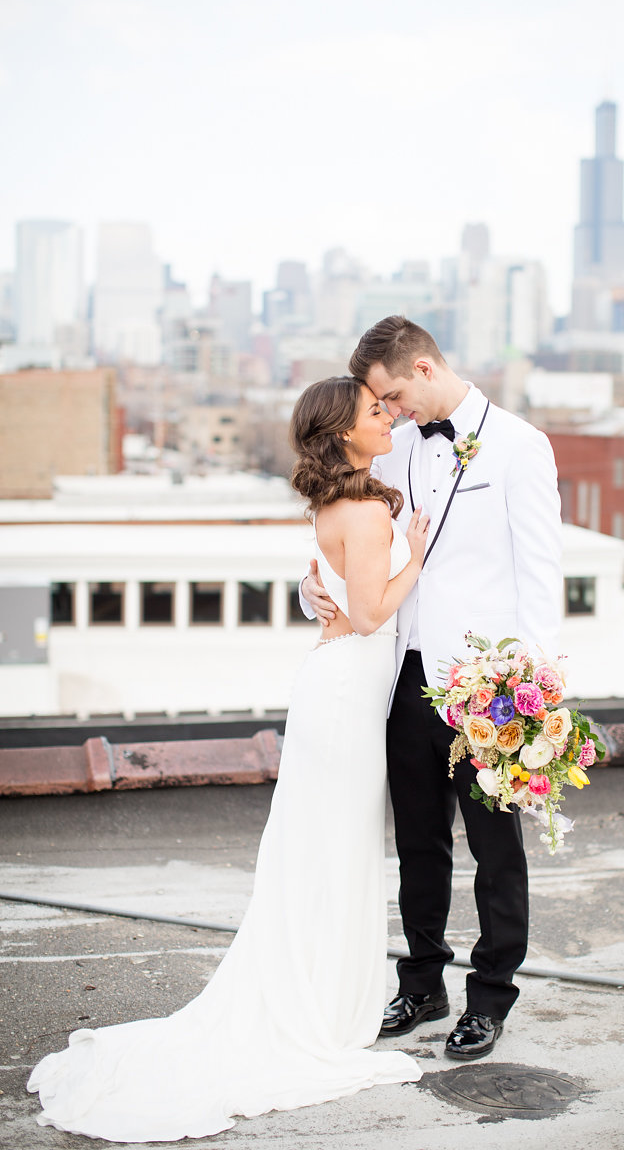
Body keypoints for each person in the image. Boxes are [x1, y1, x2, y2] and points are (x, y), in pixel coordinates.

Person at [27, 376, 430, 1144]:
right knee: (334, 852)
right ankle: (325, 1009)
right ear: (341, 433)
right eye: (374, 412)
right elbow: (377, 610)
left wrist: (350, 585)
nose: (387, 418)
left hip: (334, 685)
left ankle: (321, 995)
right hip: (345, 694)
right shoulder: (373, 511)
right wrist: (422, 551)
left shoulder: (337, 506)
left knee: (320, 852)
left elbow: (346, 599)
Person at [301, 316, 562, 1061]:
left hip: (487, 684)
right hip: (401, 677)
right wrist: (306, 590)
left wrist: (538, 684)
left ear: (421, 369)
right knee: (417, 841)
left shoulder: (519, 445)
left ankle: (490, 998)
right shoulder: (396, 446)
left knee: (494, 846)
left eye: (390, 396)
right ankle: (422, 984)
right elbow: (343, 540)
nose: (389, 413)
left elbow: (541, 574)